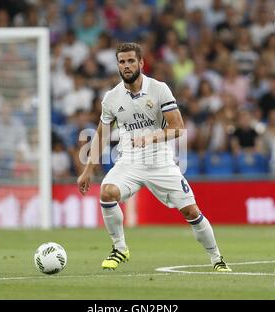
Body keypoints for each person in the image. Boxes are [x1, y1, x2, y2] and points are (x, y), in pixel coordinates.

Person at [77, 42, 231, 271]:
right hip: (129, 160)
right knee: (107, 192)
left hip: (160, 160)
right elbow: (101, 135)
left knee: (191, 211)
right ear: (117, 65)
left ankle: (216, 258)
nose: (126, 66)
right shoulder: (111, 98)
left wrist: (150, 139)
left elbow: (178, 127)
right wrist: (87, 170)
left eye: (131, 61)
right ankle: (120, 248)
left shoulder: (159, 89)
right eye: (122, 62)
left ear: (141, 62)